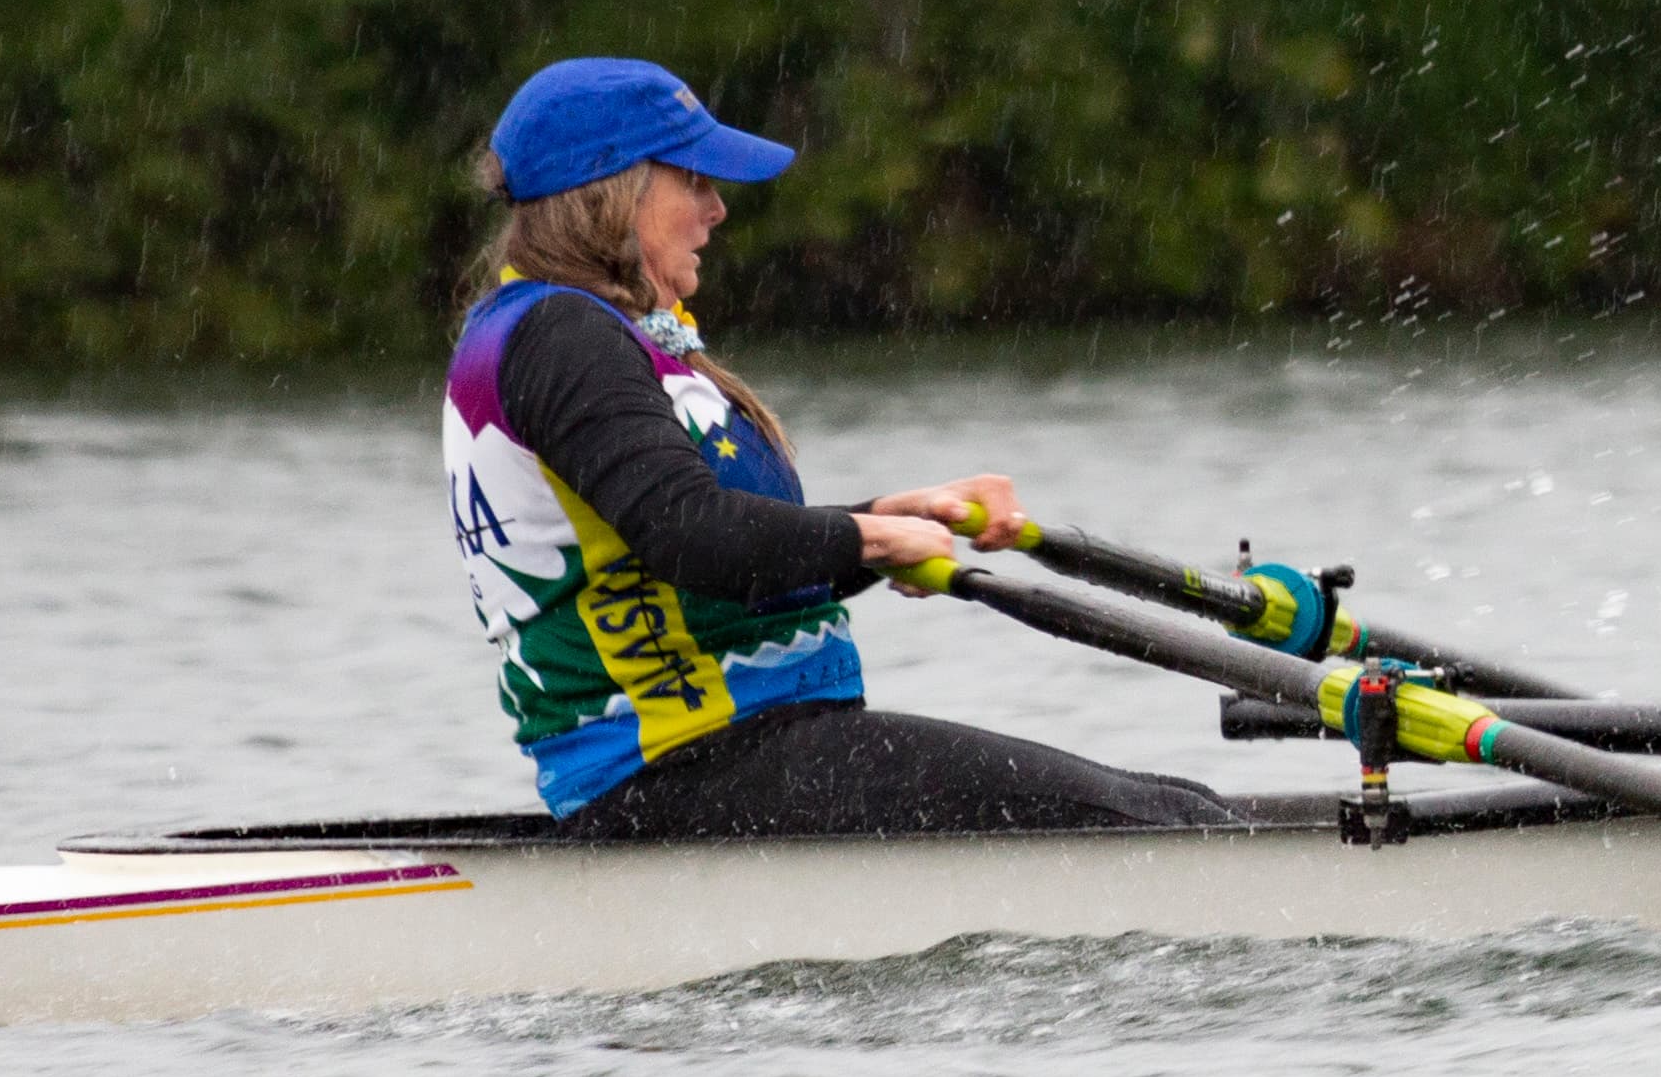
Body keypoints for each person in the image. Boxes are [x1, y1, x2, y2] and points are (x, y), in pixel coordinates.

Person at [440, 57, 1234, 837]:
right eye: (695, 180)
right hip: (689, 771)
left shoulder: (556, 329)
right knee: (1168, 826)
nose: (717, 209)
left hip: (725, 765)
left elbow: (705, 555)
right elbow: (691, 533)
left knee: (1177, 799)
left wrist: (880, 520)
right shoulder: (563, 337)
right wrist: (872, 538)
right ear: (617, 191)